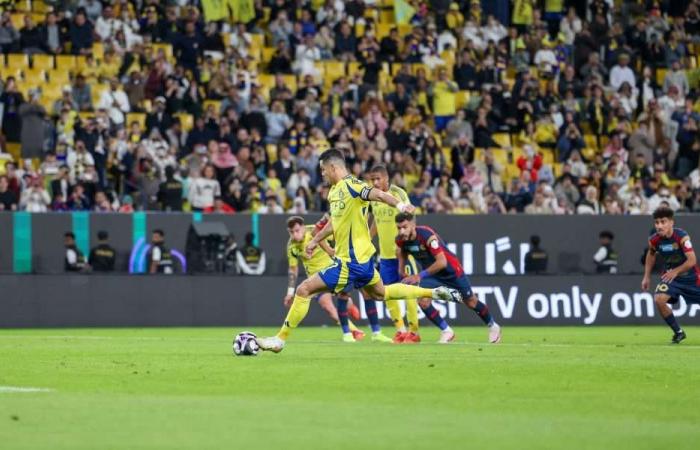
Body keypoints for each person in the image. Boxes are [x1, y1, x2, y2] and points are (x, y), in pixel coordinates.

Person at [257, 149, 460, 353]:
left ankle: (279, 340)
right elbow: (335, 223)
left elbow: (378, 194)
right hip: (363, 263)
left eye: (323, 170)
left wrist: (400, 204)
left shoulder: (352, 185)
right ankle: (433, 292)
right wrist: (315, 240)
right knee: (382, 293)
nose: (322, 174)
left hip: (349, 263)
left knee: (304, 290)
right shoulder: (335, 192)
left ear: (333, 167)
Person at [369, 164, 449, 344]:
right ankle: (400, 330)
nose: (374, 182)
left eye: (377, 179)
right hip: (385, 255)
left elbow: (410, 215)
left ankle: (414, 331)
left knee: (409, 292)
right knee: (385, 293)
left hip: (402, 253)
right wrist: (368, 238)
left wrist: (407, 241)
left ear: (386, 178)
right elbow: (376, 220)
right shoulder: (374, 198)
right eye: (372, 179)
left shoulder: (398, 193)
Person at [394, 212, 502, 344]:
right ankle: (447, 331)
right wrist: (401, 270)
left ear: (413, 224)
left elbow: (442, 262)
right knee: (423, 300)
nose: (401, 231)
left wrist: (419, 276)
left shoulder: (427, 235)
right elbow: (401, 252)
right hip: (432, 275)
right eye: (399, 228)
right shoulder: (400, 240)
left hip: (451, 272)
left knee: (471, 302)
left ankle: (493, 326)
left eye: (404, 227)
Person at [285, 216, 365, 342]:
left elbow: (335, 234)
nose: (295, 235)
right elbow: (293, 269)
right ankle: (354, 330)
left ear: (303, 227)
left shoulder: (314, 231)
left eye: (297, 230)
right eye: (291, 232)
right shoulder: (291, 247)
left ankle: (350, 305)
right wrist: (290, 292)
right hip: (315, 279)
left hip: (332, 271)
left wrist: (333, 250)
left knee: (344, 301)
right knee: (327, 306)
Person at [642, 207, 700, 344]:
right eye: (657, 222)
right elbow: (650, 256)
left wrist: (676, 271)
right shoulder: (654, 240)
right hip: (671, 278)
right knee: (659, 299)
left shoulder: (682, 237)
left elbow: (692, 260)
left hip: (690, 278)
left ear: (671, 223)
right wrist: (646, 276)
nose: (659, 226)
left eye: (663, 222)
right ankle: (678, 332)